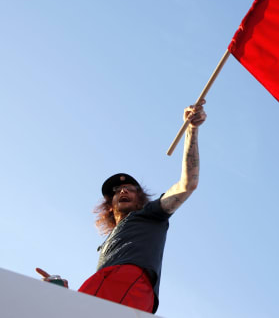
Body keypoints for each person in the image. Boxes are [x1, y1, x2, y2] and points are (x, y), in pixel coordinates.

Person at [36, 100, 206, 313]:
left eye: (130, 188)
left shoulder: (150, 214)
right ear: (109, 206)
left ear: (141, 199)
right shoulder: (107, 243)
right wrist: (63, 295)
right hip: (101, 283)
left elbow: (187, 184)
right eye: (117, 191)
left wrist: (191, 129)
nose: (123, 191)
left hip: (128, 281)